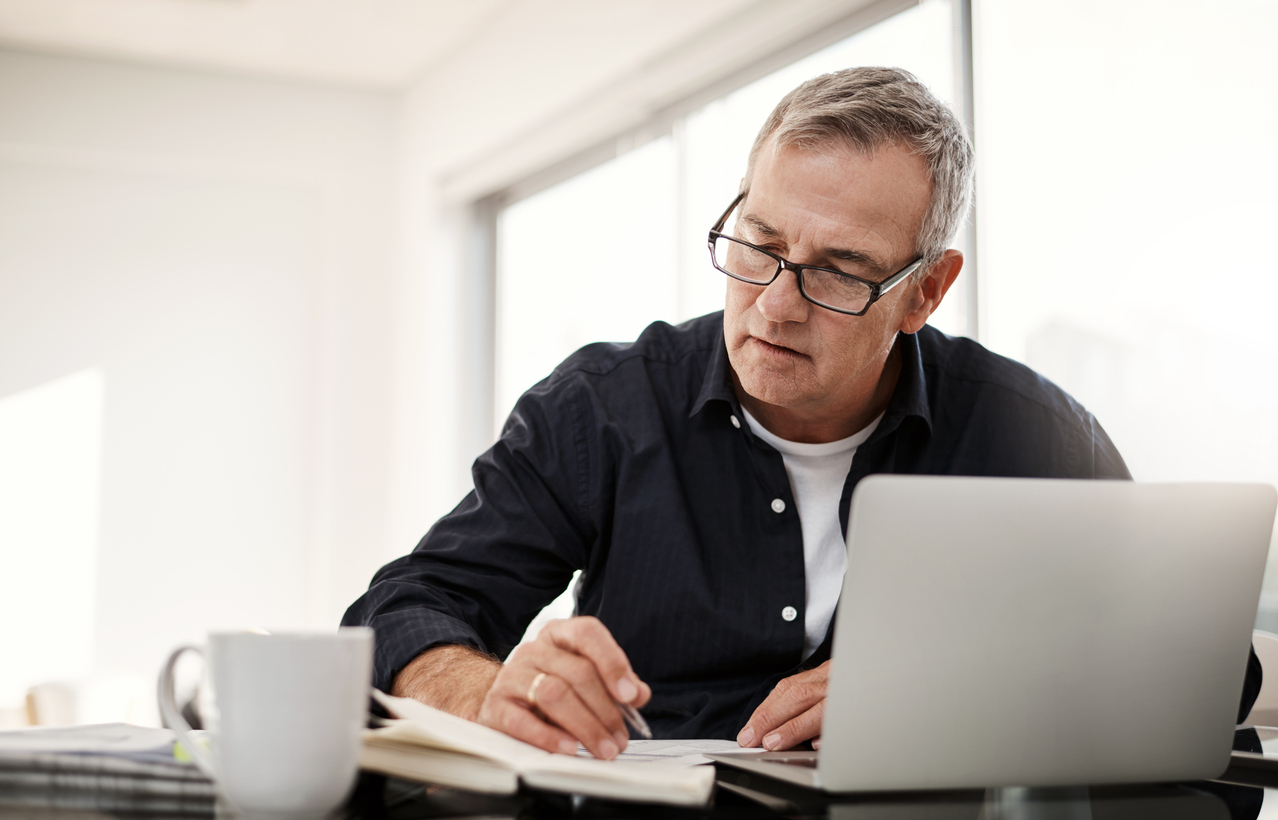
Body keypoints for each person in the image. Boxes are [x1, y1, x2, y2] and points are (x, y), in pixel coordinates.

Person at [344, 67, 1259, 761]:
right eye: (761, 245)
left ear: (925, 293)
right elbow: (401, 609)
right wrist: (487, 691)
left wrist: (958, 693)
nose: (776, 305)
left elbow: (1201, 664)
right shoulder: (601, 410)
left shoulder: (1033, 434)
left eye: (836, 271)